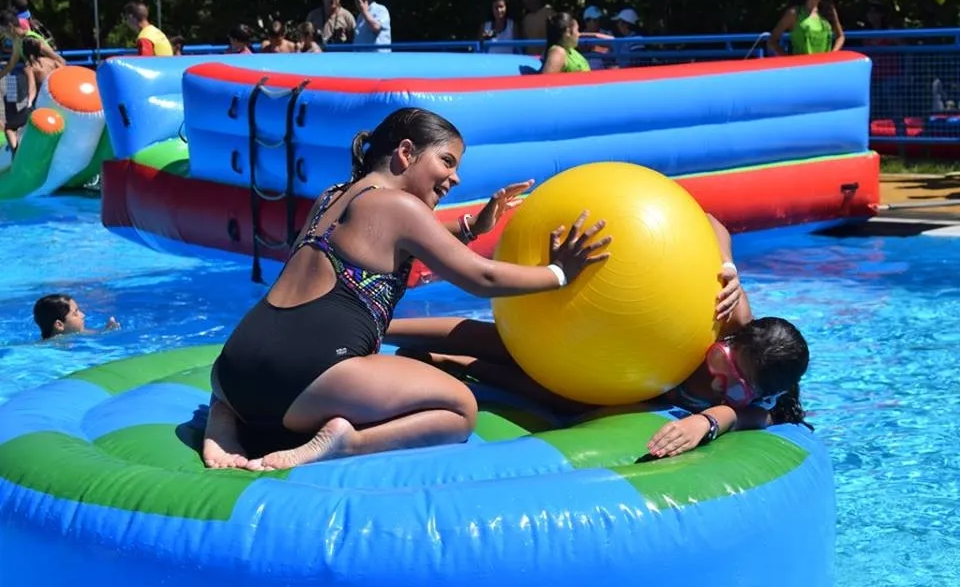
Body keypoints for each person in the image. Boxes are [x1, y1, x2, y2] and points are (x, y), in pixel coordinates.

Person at [202, 107, 612, 471]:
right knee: (459, 410)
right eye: (447, 161)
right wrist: (559, 273)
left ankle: (226, 415)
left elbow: (399, 239)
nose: (455, 177)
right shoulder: (400, 207)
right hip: (303, 380)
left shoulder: (333, 196)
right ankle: (347, 442)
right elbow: (481, 278)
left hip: (233, 370)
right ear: (405, 152)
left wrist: (472, 227)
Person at [387, 215, 811, 460]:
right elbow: (709, 222)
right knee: (509, 342)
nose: (718, 383)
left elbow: (761, 419)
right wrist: (726, 264)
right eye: (720, 363)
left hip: (616, 375)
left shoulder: (758, 396)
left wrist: (710, 418)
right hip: (616, 334)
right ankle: (383, 327)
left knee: (569, 398)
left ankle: (452, 363)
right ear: (731, 340)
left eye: (733, 388)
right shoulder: (730, 313)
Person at [768, 0, 845, 56]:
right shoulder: (794, 13)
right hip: (802, 63)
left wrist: (833, 54)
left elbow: (840, 36)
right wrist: (788, 59)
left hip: (826, 63)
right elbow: (772, 41)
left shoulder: (829, 11)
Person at [0, 9, 65, 81]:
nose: (3, 34)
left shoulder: (31, 40)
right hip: (39, 79)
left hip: (50, 79)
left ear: (10, 27)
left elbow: (60, 60)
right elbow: (11, 64)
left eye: (2, 30)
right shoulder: (17, 41)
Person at [540, 12, 613, 74]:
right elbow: (545, 82)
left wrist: (595, 35)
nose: (579, 34)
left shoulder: (570, 49)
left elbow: (611, 39)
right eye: (577, 30)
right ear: (568, 32)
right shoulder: (558, 52)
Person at [33, 294, 120, 340]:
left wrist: (107, 331)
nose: (83, 315)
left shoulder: (75, 333)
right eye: (76, 313)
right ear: (59, 325)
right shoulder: (49, 347)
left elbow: (96, 333)